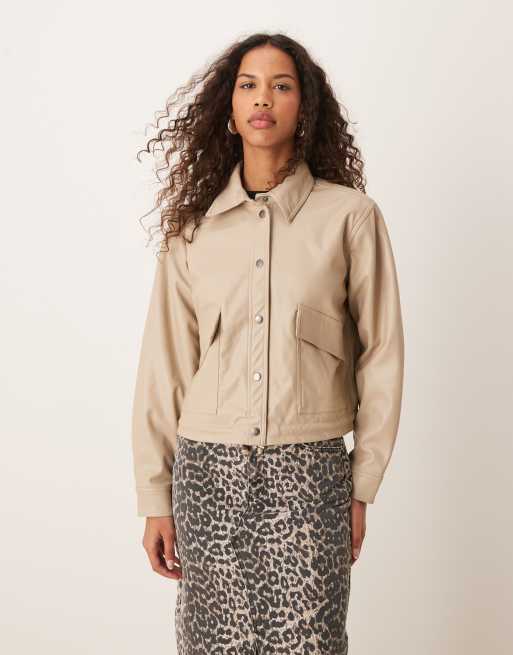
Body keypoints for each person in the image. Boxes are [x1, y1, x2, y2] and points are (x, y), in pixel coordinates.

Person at [131, 32, 404, 654]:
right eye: (248, 86)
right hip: (208, 477)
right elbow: (164, 368)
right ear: (228, 109)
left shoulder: (350, 217)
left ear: (303, 107)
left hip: (310, 475)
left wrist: (361, 485)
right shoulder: (193, 233)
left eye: (281, 86)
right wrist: (155, 496)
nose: (263, 99)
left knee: (311, 643)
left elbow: (383, 355)